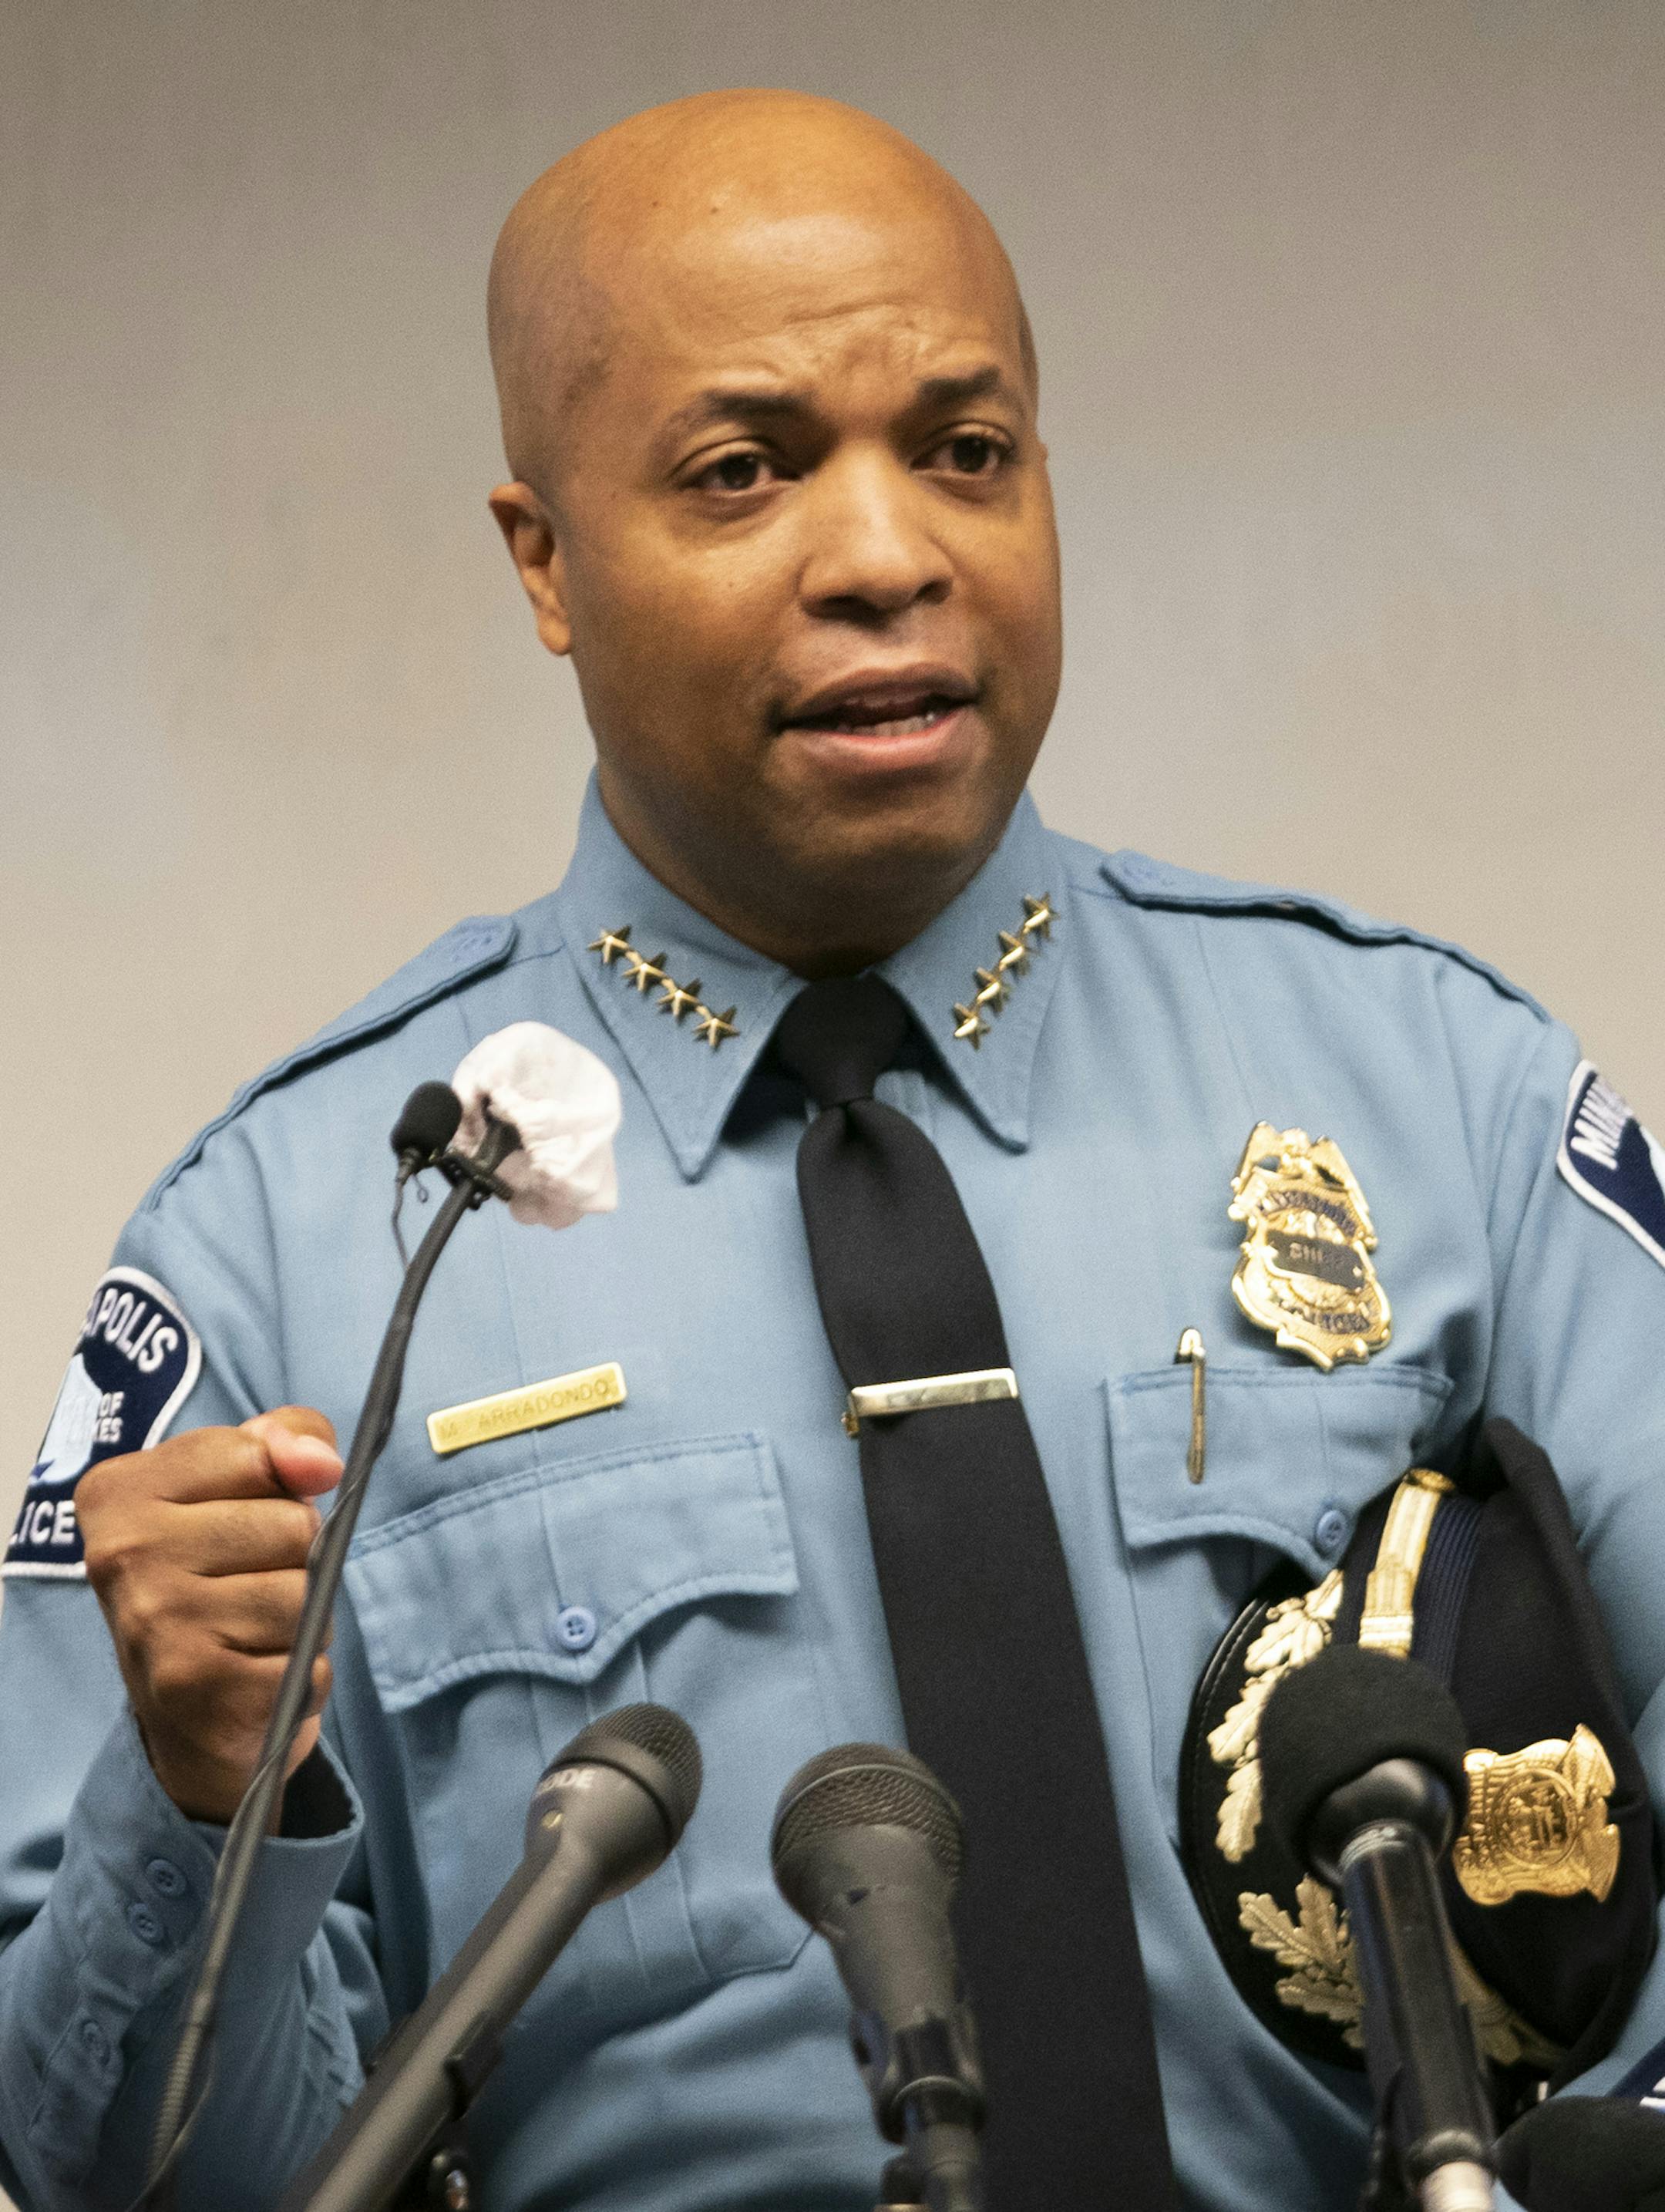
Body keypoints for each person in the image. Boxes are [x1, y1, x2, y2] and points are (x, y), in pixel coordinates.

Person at [2, 86, 1663, 2212]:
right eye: (743, 471)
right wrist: (194, 1799)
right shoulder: (296, 1261)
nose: (889, 555)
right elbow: (133, 2177)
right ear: (546, 562)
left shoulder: (1450, 1103)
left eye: (966, 451)